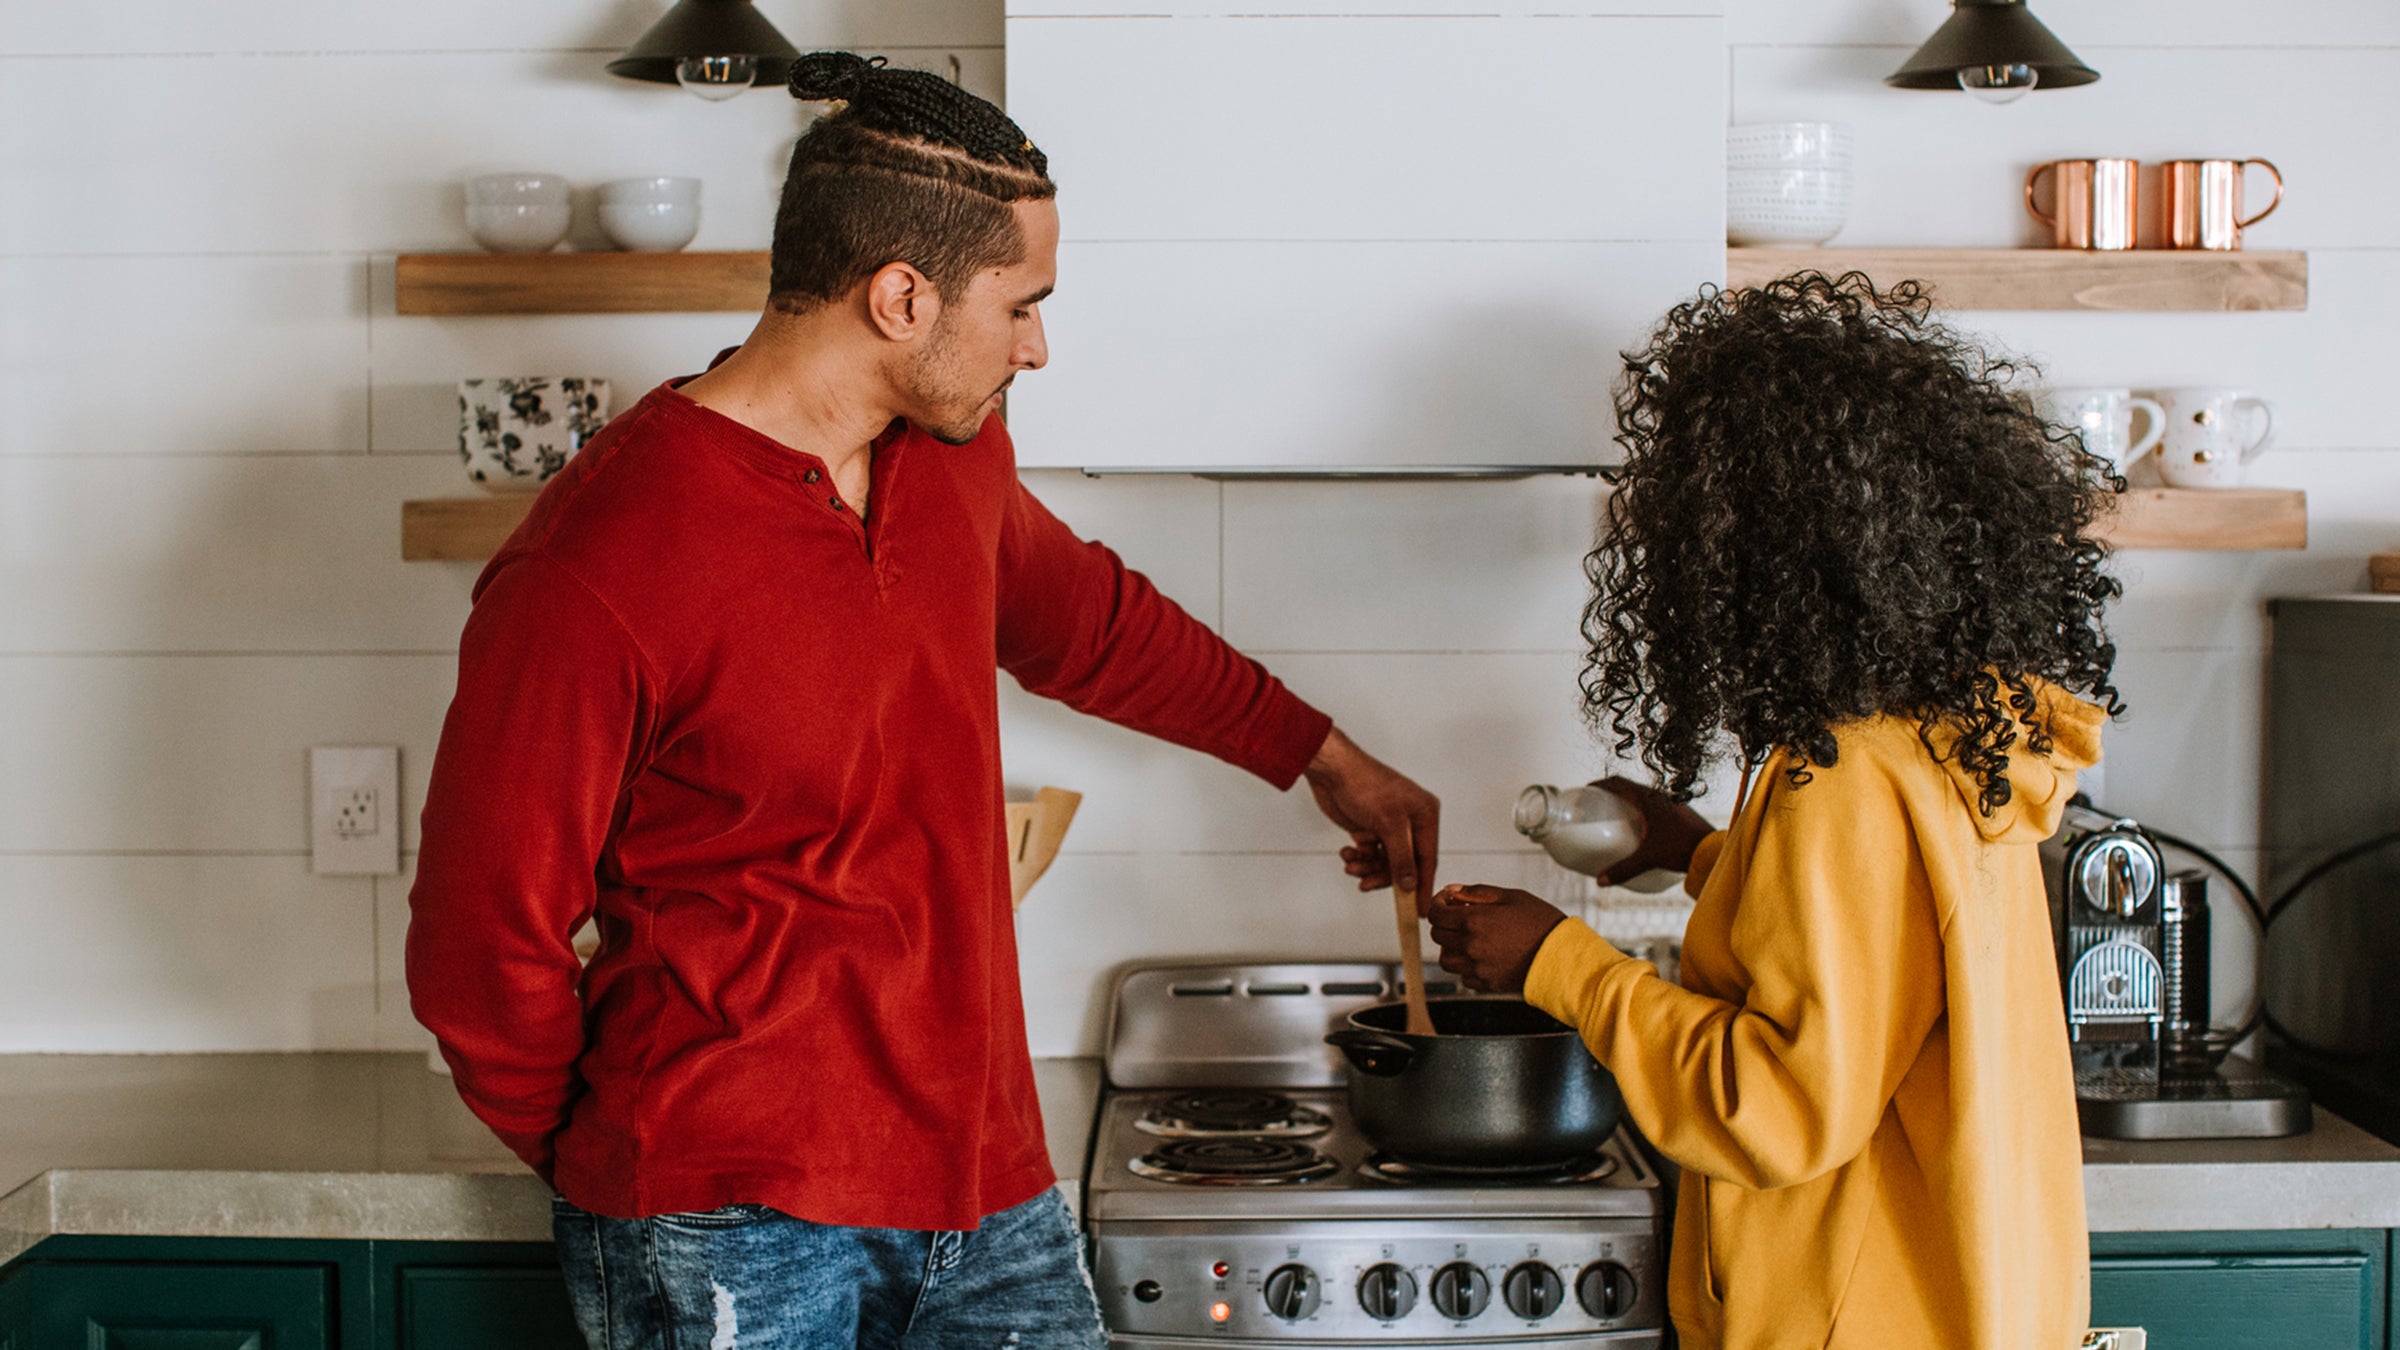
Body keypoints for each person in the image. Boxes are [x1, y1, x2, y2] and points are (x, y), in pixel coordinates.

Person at [406, 51, 1438, 1350]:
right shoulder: (598, 565)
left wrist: (1323, 757)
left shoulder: (950, 459)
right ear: (902, 296)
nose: (1038, 343)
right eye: (1021, 303)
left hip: (981, 1184)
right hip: (728, 1216)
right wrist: (618, 1164)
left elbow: (1093, 622)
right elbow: (478, 942)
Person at [1428, 272, 2121, 1350]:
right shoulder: (1951, 734)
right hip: (1954, 1305)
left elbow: (1781, 1105)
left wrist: (1554, 960)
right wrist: (1708, 856)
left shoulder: (1841, 777)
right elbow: (1886, 951)